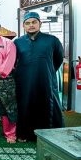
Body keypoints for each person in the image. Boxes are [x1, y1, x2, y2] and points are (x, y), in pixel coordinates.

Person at [14, 11, 64, 142]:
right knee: (25, 106)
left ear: (40, 23)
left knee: (46, 105)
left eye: (34, 22)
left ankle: (48, 137)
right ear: (24, 26)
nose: (31, 25)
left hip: (45, 81)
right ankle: (24, 133)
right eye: (28, 23)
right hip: (24, 83)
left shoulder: (52, 40)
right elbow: (14, 62)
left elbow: (58, 59)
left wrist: (47, 71)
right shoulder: (18, 42)